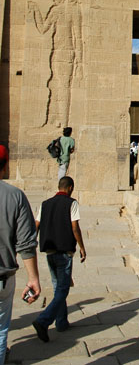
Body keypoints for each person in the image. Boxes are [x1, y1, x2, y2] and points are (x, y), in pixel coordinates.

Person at [0, 145, 40, 364]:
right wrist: (33, 278)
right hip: (2, 277)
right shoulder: (15, 196)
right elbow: (26, 243)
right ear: (6, 166)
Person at [33, 176, 86, 342]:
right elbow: (75, 227)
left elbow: (36, 225)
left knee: (58, 287)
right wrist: (82, 247)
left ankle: (61, 322)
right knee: (63, 289)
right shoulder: (72, 203)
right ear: (70, 187)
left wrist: (31, 243)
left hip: (49, 251)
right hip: (64, 251)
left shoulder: (45, 204)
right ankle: (43, 320)